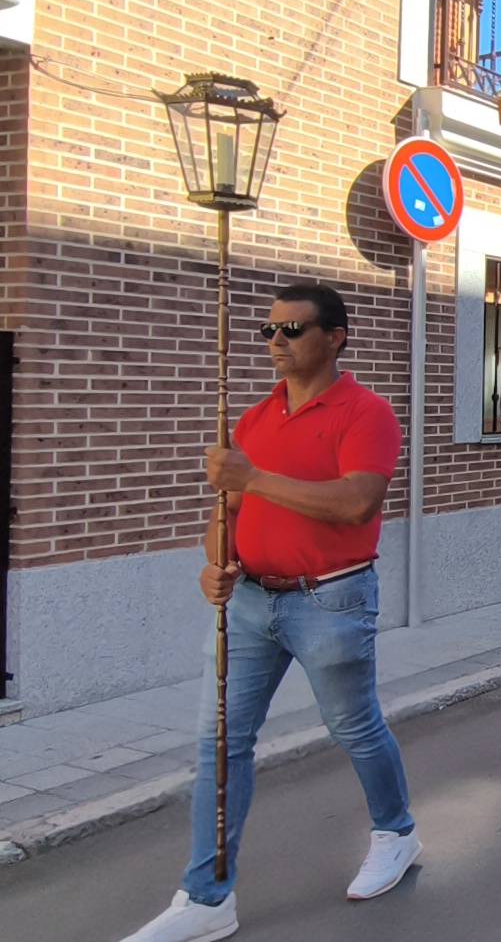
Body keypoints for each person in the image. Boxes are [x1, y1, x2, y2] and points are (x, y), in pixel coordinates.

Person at [123, 283, 419, 942]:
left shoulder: (365, 413)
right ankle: (206, 898)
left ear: (335, 336)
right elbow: (226, 514)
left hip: (330, 599)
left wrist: (250, 478)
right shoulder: (254, 419)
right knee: (220, 746)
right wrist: (216, 563)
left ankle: (396, 833)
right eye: (269, 331)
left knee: (355, 729)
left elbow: (356, 504)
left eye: (293, 330)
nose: (276, 343)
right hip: (251, 602)